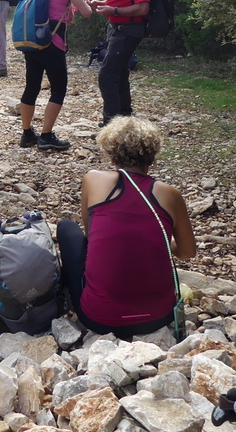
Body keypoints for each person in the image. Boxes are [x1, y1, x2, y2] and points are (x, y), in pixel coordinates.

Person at [57, 117, 196, 337]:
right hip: (160, 316)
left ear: (112, 156)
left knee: (66, 228)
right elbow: (187, 252)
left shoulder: (93, 179)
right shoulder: (170, 194)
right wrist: (158, 241)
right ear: (152, 157)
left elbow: (90, 235)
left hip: (99, 319)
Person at [18, 0, 93, 151]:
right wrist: (86, 4)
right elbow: (86, 12)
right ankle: (46, 135)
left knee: (31, 85)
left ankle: (27, 133)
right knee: (58, 88)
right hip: (53, 41)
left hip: (33, 40)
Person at [85, 0, 150, 125]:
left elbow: (143, 7)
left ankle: (111, 124)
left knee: (106, 76)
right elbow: (118, 1)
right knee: (119, 73)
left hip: (129, 30)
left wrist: (113, 10)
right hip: (117, 28)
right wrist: (101, 3)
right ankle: (124, 117)